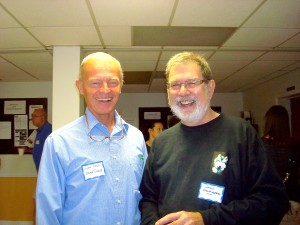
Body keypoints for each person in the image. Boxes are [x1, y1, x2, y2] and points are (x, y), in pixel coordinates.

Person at [139, 52, 289, 225]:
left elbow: (273, 200)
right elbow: (148, 198)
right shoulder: (162, 142)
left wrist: (206, 219)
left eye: (192, 82)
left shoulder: (240, 134)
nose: (183, 91)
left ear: (210, 87)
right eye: (175, 84)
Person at [36, 52, 147, 225]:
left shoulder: (136, 138)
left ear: (121, 86)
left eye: (112, 82)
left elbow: (145, 197)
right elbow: (48, 213)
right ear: (80, 87)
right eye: (95, 83)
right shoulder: (59, 143)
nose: (105, 90)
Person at [262, 105, 300, 224]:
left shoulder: (259, 145)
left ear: (268, 122)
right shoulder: (296, 146)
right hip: (292, 201)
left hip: (266, 202)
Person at [29, 108, 52, 225]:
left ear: (42, 117)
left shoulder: (49, 130)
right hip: (41, 175)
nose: (32, 118)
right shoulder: (38, 131)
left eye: (34, 116)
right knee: (37, 205)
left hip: (47, 176)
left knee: (38, 204)